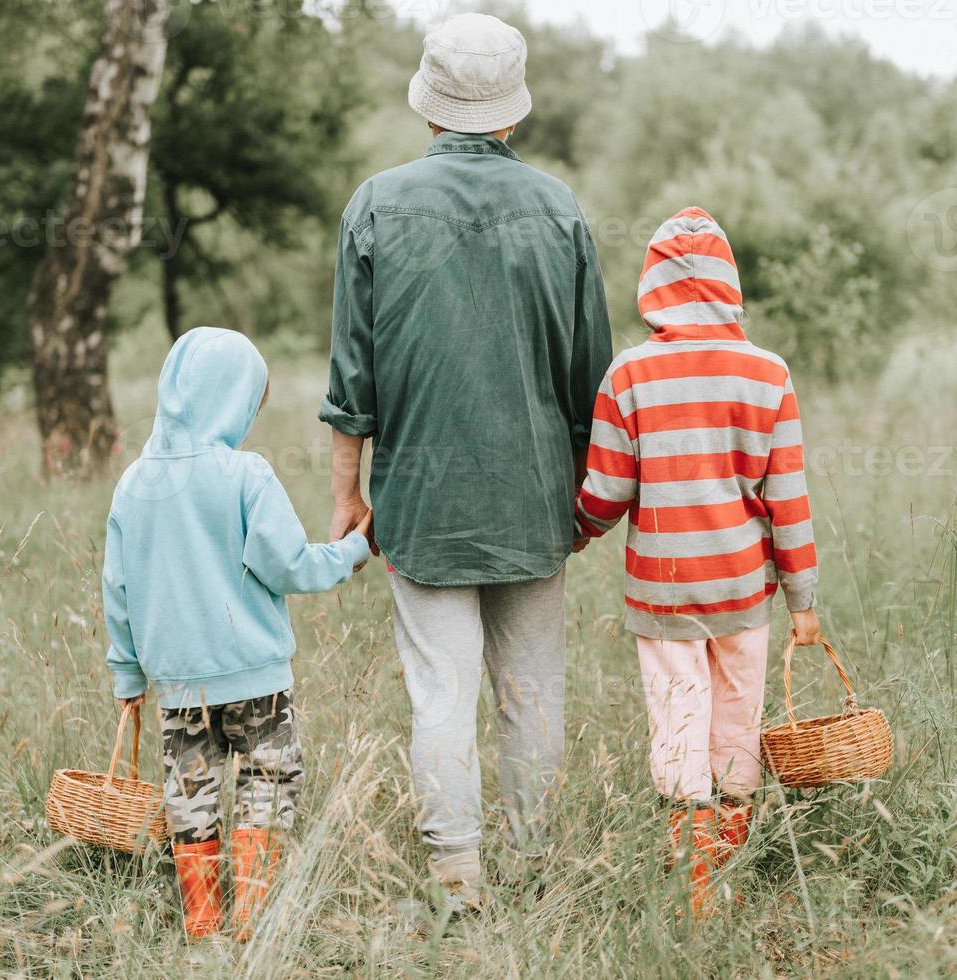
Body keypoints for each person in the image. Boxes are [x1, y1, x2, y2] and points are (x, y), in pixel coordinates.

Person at [319, 13, 613, 910]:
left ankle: (457, 874)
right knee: (531, 693)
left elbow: (351, 378)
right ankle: (532, 863)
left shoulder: (375, 203)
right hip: (536, 498)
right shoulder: (559, 207)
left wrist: (348, 497)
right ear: (511, 113)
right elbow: (591, 380)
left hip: (419, 498)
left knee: (439, 694)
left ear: (430, 104)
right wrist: (585, 498)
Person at [573, 207, 821, 920]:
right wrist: (801, 599)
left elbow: (609, 490)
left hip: (664, 590)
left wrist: (577, 528)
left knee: (678, 715)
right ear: (728, 282)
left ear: (653, 281)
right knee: (737, 717)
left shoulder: (629, 374)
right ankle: (730, 864)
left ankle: (694, 888)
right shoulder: (767, 373)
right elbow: (789, 500)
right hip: (744, 588)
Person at [102, 327, 372, 940]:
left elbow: (116, 588)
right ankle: (252, 912)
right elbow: (288, 565)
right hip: (256, 678)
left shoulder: (133, 484)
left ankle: (203, 919)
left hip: (176, 685)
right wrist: (350, 550)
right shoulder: (245, 473)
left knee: (189, 797)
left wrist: (126, 672)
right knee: (269, 786)